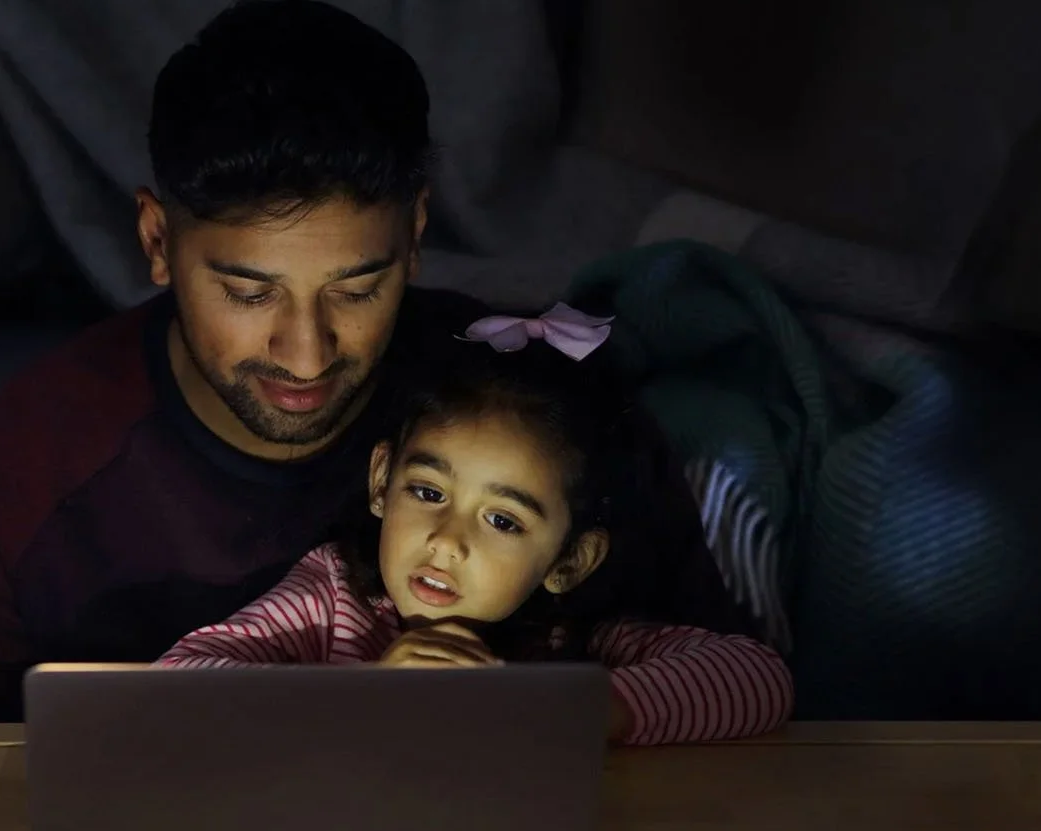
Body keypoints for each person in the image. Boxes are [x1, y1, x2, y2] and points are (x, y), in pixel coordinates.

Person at [0, 0, 751, 722]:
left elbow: (735, 699)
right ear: (158, 241)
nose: (306, 353)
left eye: (357, 287)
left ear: (415, 238)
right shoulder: (9, 481)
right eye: (248, 291)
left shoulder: (532, 406)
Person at [155, 307, 794, 745]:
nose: (447, 540)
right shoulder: (335, 599)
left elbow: (758, 678)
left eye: (502, 520)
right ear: (383, 481)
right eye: (429, 491)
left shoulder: (567, 640)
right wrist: (360, 695)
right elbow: (176, 681)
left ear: (569, 560)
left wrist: (555, 710)